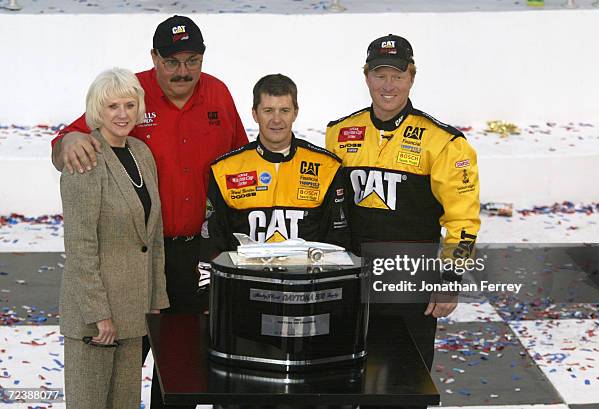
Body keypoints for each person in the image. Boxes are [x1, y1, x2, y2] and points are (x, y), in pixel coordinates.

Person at [51, 15, 248, 409]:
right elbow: (73, 141)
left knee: (183, 373)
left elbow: (240, 164)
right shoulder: (129, 93)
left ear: (203, 58)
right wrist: (67, 139)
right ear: (154, 57)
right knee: (118, 370)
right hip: (135, 265)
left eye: (192, 60)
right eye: (172, 61)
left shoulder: (218, 94)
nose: (182, 71)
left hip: (198, 258)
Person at [325, 34, 481, 406]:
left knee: (407, 388)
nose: (388, 85)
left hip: (410, 281)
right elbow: (328, 211)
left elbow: (463, 219)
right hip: (352, 281)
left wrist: (449, 279)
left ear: (412, 76)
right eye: (380, 75)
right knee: (347, 383)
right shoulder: (339, 134)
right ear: (366, 76)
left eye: (397, 75)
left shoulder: (443, 142)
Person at [60, 67, 169, 409]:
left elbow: (153, 235)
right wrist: (98, 313)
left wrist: (155, 299)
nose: (122, 114)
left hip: (134, 313)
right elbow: (80, 246)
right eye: (112, 107)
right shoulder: (86, 159)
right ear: (97, 110)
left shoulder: (141, 153)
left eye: (129, 104)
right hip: (98, 319)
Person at [198, 74, 349, 273]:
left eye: (284, 110)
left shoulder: (327, 166)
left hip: (306, 289)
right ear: (255, 114)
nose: (276, 120)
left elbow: (337, 239)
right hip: (245, 288)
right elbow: (213, 240)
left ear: (295, 112)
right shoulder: (225, 169)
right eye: (268, 110)